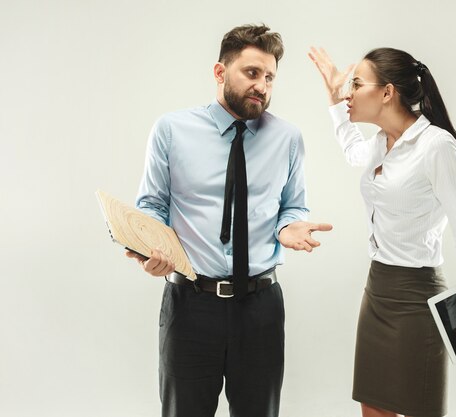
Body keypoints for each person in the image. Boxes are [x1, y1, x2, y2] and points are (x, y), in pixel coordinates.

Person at [125, 24, 332, 417]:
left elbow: (293, 206)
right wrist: (149, 247)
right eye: (252, 73)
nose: (263, 86)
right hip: (190, 304)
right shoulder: (172, 130)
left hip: (260, 308)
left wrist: (288, 228)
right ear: (220, 73)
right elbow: (152, 204)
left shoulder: (287, 138)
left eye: (270, 77)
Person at [308, 46, 456, 417]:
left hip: (417, 300)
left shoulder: (437, 147)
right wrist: (333, 103)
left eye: (356, 84)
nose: (349, 92)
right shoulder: (381, 143)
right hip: (377, 291)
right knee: (373, 408)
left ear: (387, 92)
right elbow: (352, 153)